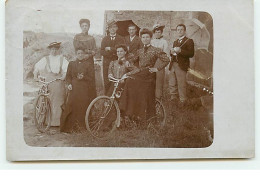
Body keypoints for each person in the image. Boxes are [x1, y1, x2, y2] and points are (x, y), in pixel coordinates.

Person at [119, 28, 170, 127]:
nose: (145, 39)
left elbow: (166, 59)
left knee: (129, 80)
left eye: (147, 37)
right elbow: (132, 58)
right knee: (129, 81)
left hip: (149, 75)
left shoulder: (156, 50)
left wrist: (157, 68)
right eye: (143, 37)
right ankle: (130, 111)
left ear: (150, 38)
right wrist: (127, 60)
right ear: (141, 39)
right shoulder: (139, 51)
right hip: (141, 74)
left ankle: (128, 109)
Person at [60, 48, 97, 133]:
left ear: (84, 55)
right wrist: (69, 84)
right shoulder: (71, 64)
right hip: (74, 87)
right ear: (76, 54)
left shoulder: (88, 64)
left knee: (82, 106)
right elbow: (68, 76)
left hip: (84, 88)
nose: (80, 55)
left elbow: (91, 78)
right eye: (78, 53)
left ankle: (81, 127)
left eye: (82, 53)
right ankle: (69, 127)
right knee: (71, 105)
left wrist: (84, 77)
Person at [33, 42, 69, 126]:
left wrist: (63, 76)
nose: (54, 51)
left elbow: (66, 70)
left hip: (59, 82)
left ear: (58, 50)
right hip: (48, 82)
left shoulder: (62, 59)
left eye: (56, 49)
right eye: (52, 49)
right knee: (46, 100)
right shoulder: (46, 59)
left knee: (58, 101)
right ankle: (46, 121)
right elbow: (37, 68)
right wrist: (35, 76)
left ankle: (57, 122)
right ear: (50, 50)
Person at [168, 24, 195, 103]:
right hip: (173, 64)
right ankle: (173, 98)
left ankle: (183, 100)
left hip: (182, 65)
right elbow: (173, 54)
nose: (179, 31)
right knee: (172, 82)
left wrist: (181, 51)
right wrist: (171, 52)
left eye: (181, 29)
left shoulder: (189, 41)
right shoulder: (175, 42)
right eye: (178, 30)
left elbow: (191, 54)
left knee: (181, 84)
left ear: (185, 31)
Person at [101, 20, 125, 93]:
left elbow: (122, 49)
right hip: (107, 63)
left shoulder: (121, 38)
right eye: (111, 27)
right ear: (108, 29)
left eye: (114, 27)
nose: (112, 29)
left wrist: (110, 49)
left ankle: (116, 100)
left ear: (117, 28)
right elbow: (102, 51)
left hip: (117, 62)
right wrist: (114, 52)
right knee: (107, 81)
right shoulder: (105, 39)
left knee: (117, 80)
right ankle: (107, 99)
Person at [151, 24, 170, 100]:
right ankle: (151, 97)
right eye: (156, 32)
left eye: (159, 32)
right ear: (154, 33)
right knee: (151, 80)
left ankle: (158, 98)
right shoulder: (151, 41)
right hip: (152, 63)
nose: (157, 33)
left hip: (160, 63)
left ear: (161, 33)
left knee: (159, 81)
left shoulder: (164, 42)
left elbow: (166, 54)